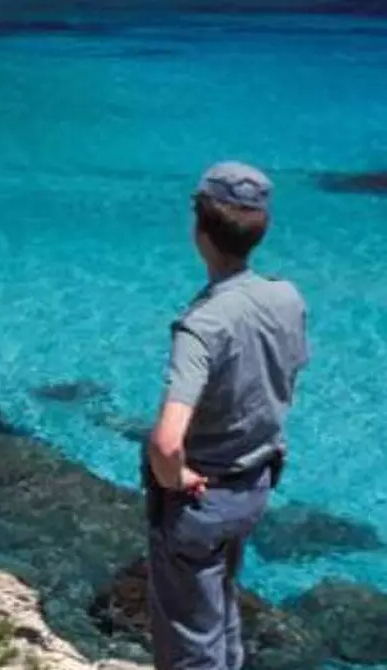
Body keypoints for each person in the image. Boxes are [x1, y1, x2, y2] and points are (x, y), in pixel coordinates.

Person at [144, 161, 309, 669]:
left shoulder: (202, 325)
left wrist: (176, 478)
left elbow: (167, 443)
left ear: (200, 230)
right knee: (222, 606)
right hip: (254, 482)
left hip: (202, 497)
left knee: (190, 642)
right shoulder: (287, 298)